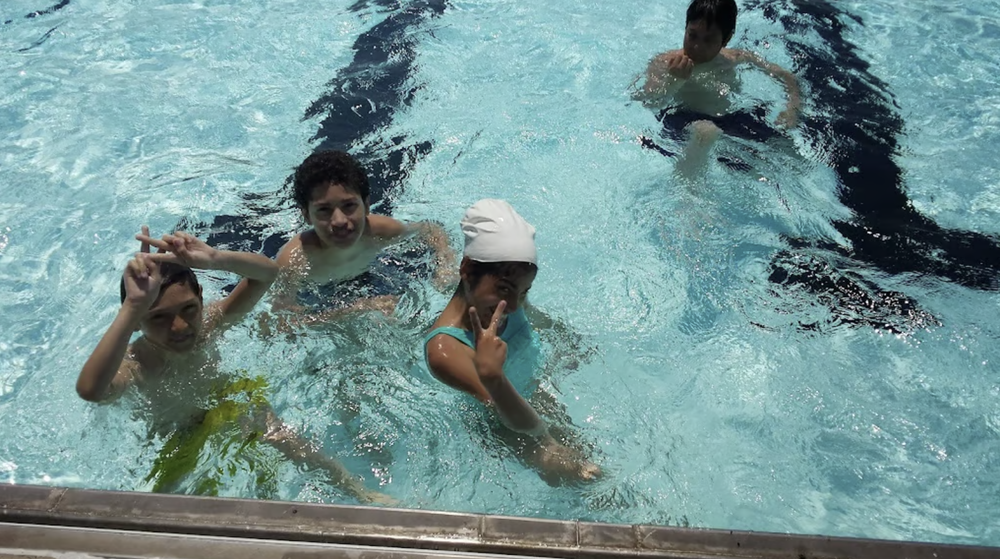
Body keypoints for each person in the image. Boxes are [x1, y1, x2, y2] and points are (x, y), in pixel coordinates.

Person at [76, 227, 391, 504]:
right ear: (134, 322)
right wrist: (133, 305)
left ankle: (356, 491)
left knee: (280, 434)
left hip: (228, 398)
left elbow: (268, 274)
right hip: (180, 434)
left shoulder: (210, 323)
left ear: (201, 298)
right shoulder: (135, 365)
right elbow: (91, 390)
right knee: (167, 505)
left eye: (189, 309)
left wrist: (215, 258)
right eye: (158, 317)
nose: (180, 327)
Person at [423, 199, 600, 484]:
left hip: (535, 398)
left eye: (524, 291)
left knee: (593, 463)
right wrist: (492, 377)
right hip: (509, 429)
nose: (515, 306)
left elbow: (538, 319)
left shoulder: (507, 302)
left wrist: (568, 342)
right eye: (505, 289)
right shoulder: (444, 350)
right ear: (467, 269)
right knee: (584, 478)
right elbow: (524, 427)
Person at [262, 150, 457, 326]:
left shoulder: (378, 230)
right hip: (315, 298)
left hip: (368, 278)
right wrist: (356, 310)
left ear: (366, 205)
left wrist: (445, 264)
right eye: (324, 210)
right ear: (306, 215)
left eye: (349, 206)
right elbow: (279, 324)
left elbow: (431, 230)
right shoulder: (294, 261)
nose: (339, 220)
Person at [634, 0, 802, 174]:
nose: (697, 46)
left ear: (726, 39)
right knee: (705, 131)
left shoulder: (734, 58)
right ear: (685, 29)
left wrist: (792, 108)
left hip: (729, 119)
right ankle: (689, 192)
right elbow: (648, 101)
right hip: (681, 119)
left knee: (785, 146)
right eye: (692, 35)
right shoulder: (665, 63)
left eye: (708, 40)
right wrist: (674, 81)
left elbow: (785, 76)